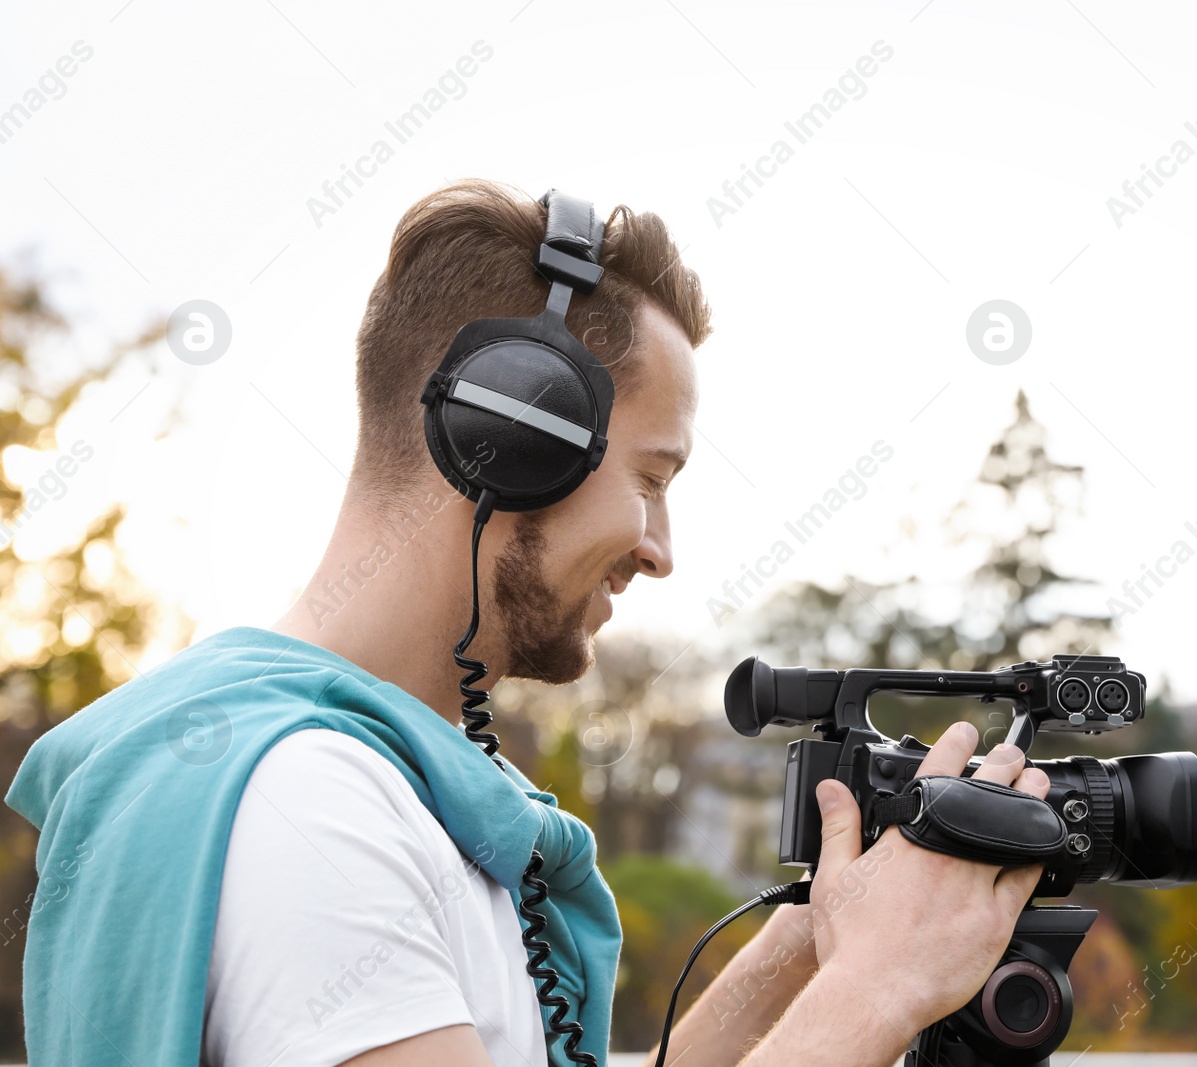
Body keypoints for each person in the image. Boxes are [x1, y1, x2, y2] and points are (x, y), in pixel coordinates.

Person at [6, 179, 1048, 1067]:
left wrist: (814, 947)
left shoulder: (383, 786)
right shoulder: (305, 807)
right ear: (507, 436)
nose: (660, 547)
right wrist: (874, 991)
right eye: (652, 477)